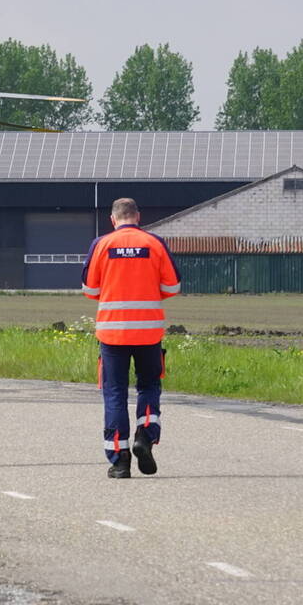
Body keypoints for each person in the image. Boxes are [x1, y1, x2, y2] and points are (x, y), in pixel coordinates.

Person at [82, 197, 181, 478]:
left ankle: (119, 460)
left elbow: (90, 290)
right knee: (149, 386)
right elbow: (172, 286)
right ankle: (145, 437)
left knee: (114, 394)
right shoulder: (154, 243)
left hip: (112, 332)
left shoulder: (101, 244)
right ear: (138, 216)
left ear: (113, 220)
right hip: (148, 332)